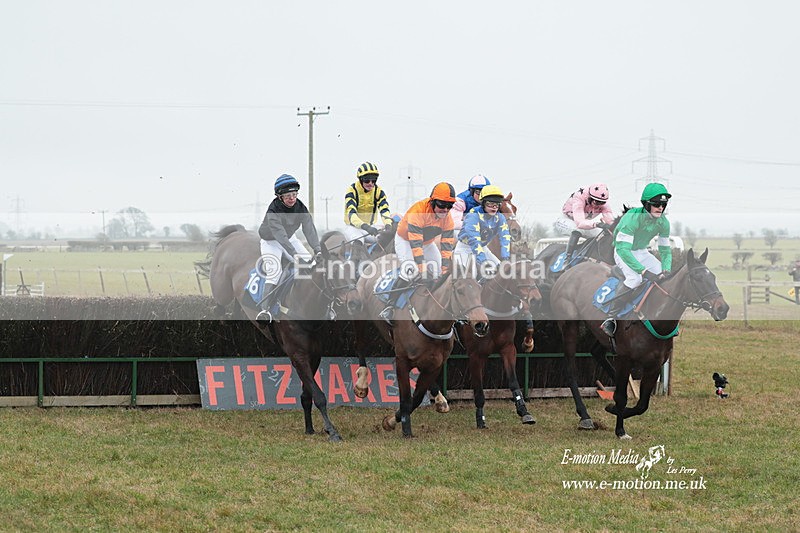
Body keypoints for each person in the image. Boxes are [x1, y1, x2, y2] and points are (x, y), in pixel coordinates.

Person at [600, 182, 672, 336]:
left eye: (663, 204)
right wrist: (644, 271)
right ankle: (610, 317)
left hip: (641, 252)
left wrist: (666, 269)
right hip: (622, 251)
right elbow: (624, 250)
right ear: (646, 204)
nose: (660, 208)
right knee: (635, 279)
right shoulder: (632, 218)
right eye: (657, 204)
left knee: (662, 277)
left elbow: (665, 250)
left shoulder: (663, 222)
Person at [380, 182, 457, 321]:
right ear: (432, 201)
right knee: (412, 270)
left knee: (439, 271)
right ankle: (389, 306)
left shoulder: (448, 220)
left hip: (427, 243)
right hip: (406, 241)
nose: (445, 209)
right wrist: (422, 269)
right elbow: (415, 245)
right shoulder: (419, 211)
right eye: (441, 205)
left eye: (449, 206)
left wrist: (445, 271)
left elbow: (446, 248)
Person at [256, 173, 322, 321]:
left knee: (311, 264)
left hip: (289, 238)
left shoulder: (300, 207)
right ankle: (265, 310)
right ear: (280, 197)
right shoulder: (273, 211)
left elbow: (309, 229)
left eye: (294, 194)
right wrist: (296, 257)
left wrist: (317, 249)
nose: (292, 198)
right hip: (271, 241)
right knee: (275, 272)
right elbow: (281, 239)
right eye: (288, 196)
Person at [454, 185, 511, 276]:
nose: (494, 207)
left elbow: (505, 238)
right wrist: (484, 261)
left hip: (483, 248)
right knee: (470, 276)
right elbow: (474, 240)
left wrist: (505, 258)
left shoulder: (500, 218)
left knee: (503, 272)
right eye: (490, 204)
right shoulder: (473, 214)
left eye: (497, 204)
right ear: (483, 203)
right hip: (465, 248)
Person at [553, 183, 615, 264]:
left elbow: (610, 221)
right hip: (566, 220)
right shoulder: (579, 197)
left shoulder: (603, 202)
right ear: (590, 197)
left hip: (584, 222)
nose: (598, 205)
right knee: (577, 230)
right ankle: (567, 259)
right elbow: (579, 223)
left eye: (601, 203)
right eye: (596, 202)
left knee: (601, 235)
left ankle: (592, 257)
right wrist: (597, 224)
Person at [342, 161, 394, 243]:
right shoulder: (352, 191)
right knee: (358, 241)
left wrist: (388, 225)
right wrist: (365, 226)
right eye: (367, 180)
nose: (370, 183)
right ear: (360, 179)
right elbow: (351, 215)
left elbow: (384, 210)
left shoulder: (378, 191)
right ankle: (353, 256)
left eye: (373, 180)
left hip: (370, 227)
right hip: (353, 228)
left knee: (386, 240)